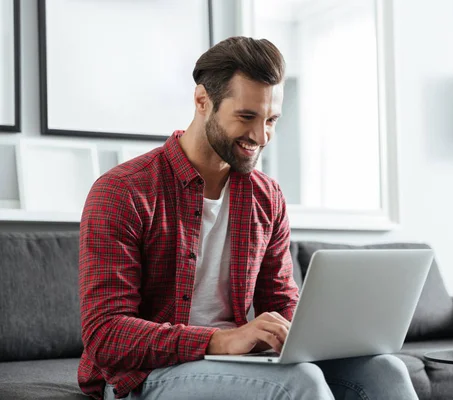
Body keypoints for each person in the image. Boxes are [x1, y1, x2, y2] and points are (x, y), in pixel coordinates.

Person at [78, 36, 418, 400]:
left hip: (239, 364)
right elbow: (105, 334)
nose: (261, 136)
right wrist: (220, 340)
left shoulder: (266, 196)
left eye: (271, 120)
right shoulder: (124, 191)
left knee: (386, 371)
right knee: (301, 381)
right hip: (147, 375)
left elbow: (281, 300)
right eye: (246, 117)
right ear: (202, 101)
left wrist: (313, 332)